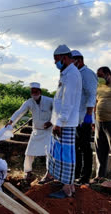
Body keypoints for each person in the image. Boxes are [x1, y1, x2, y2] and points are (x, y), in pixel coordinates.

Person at [48, 44, 82, 198]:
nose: (55, 63)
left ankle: (67, 188)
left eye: (57, 60)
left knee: (67, 154)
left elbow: (68, 102)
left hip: (65, 123)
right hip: (62, 121)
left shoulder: (72, 75)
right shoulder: (66, 73)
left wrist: (59, 123)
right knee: (60, 153)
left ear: (65, 58)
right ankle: (67, 183)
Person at [6, 82, 53, 181]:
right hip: (36, 132)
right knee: (29, 153)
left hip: (48, 132)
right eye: (32, 92)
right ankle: (28, 172)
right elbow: (20, 112)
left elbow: (58, 112)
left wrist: (51, 122)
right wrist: (11, 121)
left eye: (36, 92)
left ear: (40, 92)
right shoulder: (30, 102)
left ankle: (49, 174)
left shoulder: (49, 101)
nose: (34, 94)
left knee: (49, 152)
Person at [71, 50, 98, 185]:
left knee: (85, 147)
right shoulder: (75, 74)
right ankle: (76, 173)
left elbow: (91, 95)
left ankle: (85, 176)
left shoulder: (88, 74)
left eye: (72, 60)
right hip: (75, 118)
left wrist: (88, 115)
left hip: (84, 118)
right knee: (76, 147)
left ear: (79, 60)